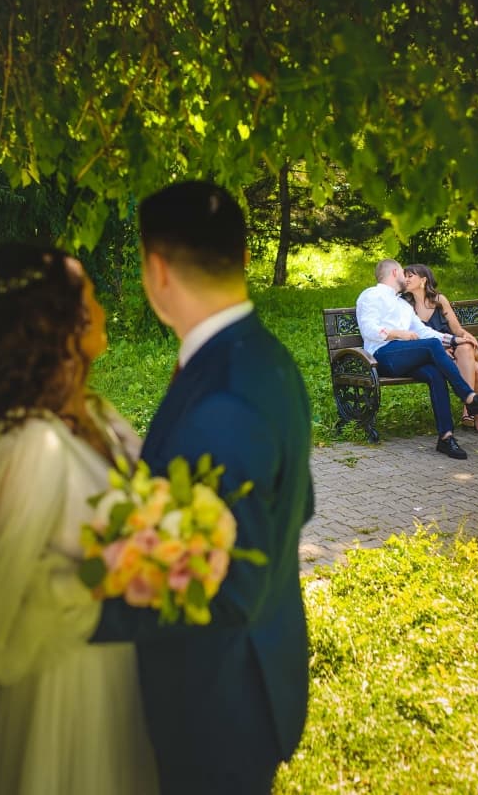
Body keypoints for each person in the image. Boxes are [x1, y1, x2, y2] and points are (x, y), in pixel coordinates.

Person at [91, 180, 314, 794]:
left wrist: (84, 603)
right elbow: (298, 505)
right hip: (246, 680)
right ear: (242, 256)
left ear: (157, 269)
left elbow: (222, 584)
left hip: (215, 704)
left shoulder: (225, 392)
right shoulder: (268, 359)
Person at [0, 243, 159, 794]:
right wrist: (106, 579)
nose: (103, 308)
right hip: (66, 695)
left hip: (129, 680)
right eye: (91, 296)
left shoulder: (101, 417)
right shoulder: (31, 445)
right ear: (58, 322)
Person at [355, 258, 478, 459]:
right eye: (403, 273)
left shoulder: (403, 305)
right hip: (382, 355)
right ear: (395, 273)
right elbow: (369, 329)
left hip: (405, 355)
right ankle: (469, 397)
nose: (406, 277)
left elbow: (424, 332)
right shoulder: (371, 295)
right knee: (432, 347)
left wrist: (454, 340)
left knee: (435, 374)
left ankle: (446, 437)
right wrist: (398, 333)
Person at [401, 263, 478, 435]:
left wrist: (465, 336)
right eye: (404, 276)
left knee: (466, 348)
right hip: (434, 352)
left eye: (410, 276)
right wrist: (441, 349)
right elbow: (414, 337)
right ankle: (476, 413)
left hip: (455, 347)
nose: (405, 279)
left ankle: (469, 406)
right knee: (477, 369)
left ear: (423, 280)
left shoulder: (439, 300)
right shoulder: (404, 305)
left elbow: (456, 329)